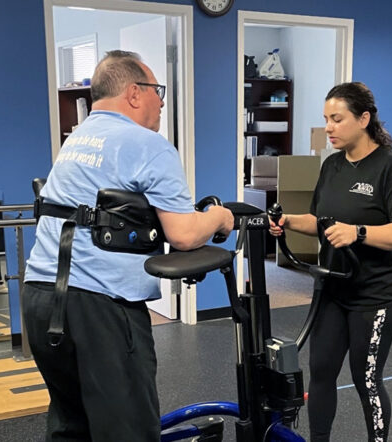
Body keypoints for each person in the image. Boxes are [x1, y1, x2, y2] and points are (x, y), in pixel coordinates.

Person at [23, 50, 234, 441]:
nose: (162, 102)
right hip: (99, 307)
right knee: (127, 432)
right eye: (158, 91)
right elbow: (185, 234)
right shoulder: (147, 144)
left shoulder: (77, 140)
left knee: (72, 426)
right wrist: (221, 218)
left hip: (40, 299)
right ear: (135, 93)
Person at [269, 82, 392, 442]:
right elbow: (321, 223)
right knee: (320, 372)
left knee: (365, 379)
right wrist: (289, 220)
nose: (329, 128)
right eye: (326, 120)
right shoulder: (333, 165)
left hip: (376, 294)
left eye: (337, 119)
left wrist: (360, 232)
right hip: (333, 291)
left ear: (364, 118)